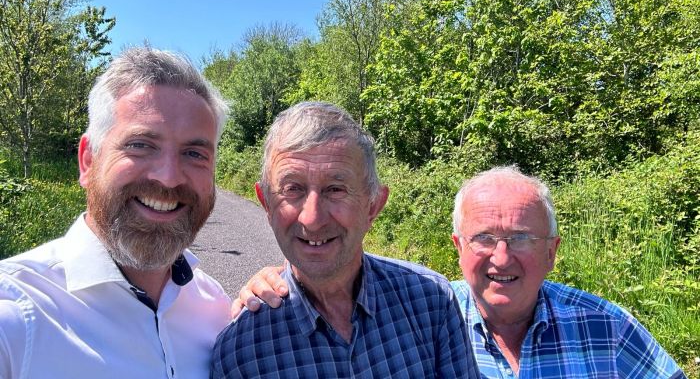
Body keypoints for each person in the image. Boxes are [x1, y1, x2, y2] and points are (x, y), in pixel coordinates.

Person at [237, 166, 686, 378]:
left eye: (523, 239)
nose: (502, 258)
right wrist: (281, 281)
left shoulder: (607, 329)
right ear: (457, 248)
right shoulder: (423, 312)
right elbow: (333, 276)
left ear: (553, 252)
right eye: (484, 239)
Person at [0, 47, 233, 378]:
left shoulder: (214, 307)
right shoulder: (16, 317)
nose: (168, 177)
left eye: (194, 153)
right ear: (88, 160)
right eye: (140, 144)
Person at [209, 101, 480, 378]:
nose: (312, 218)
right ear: (266, 203)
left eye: (335, 189)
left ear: (373, 206)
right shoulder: (239, 353)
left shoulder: (431, 301)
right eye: (293, 189)